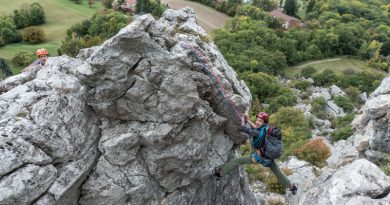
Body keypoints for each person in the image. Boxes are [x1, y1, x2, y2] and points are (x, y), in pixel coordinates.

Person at [213, 111, 298, 194]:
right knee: (278, 172)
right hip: (268, 158)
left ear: (264, 122)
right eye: (257, 120)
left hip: (258, 157)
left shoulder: (256, 133)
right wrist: (248, 121)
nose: (257, 122)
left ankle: (219, 174)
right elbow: (256, 128)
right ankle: (292, 187)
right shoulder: (266, 129)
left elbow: (243, 128)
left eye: (260, 121)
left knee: (237, 161)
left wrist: (242, 119)